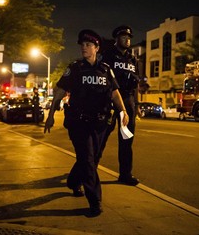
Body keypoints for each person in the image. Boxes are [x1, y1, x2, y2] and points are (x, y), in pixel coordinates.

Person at [44, 29, 129, 217]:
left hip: (100, 123)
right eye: (82, 44)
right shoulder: (75, 68)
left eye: (88, 45)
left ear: (96, 48)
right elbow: (59, 91)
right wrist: (50, 115)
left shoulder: (106, 69)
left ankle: (74, 181)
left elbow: (115, 93)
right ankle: (95, 201)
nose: (84, 47)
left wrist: (123, 111)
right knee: (88, 160)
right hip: (79, 122)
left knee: (92, 158)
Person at [100, 25, 140, 186]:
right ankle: (89, 170)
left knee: (126, 138)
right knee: (101, 136)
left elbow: (136, 84)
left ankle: (125, 174)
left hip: (128, 99)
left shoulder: (132, 59)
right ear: (116, 38)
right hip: (111, 99)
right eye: (124, 37)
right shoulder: (108, 55)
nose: (127, 39)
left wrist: (135, 106)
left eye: (129, 37)